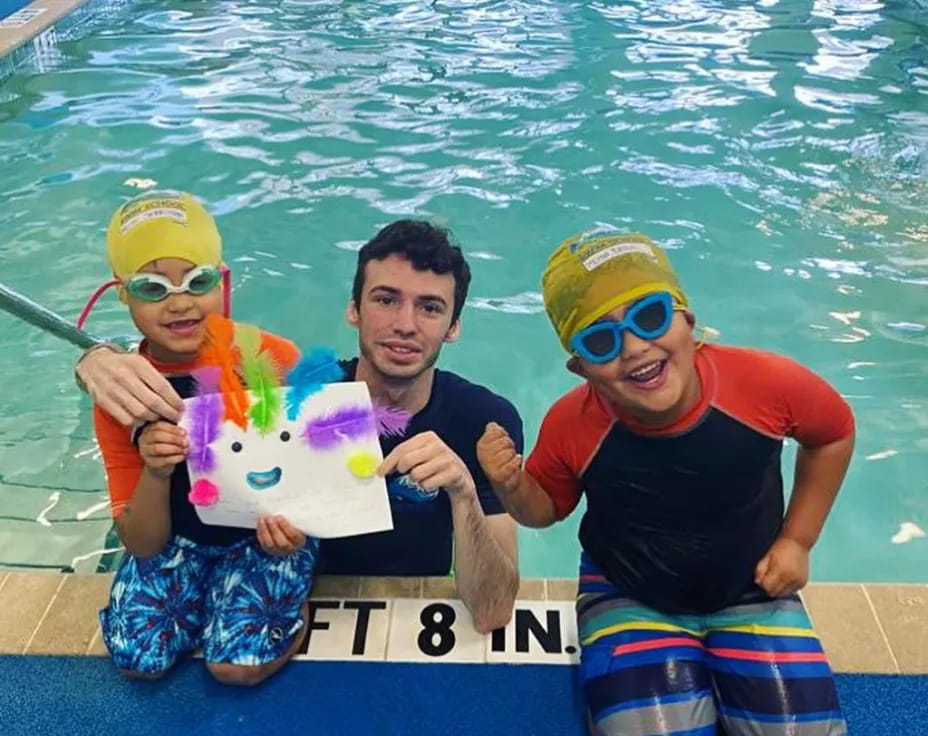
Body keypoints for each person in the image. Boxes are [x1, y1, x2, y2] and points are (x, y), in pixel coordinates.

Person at [477, 230, 854, 735]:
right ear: (580, 367)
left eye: (650, 316)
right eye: (600, 340)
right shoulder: (573, 424)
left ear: (688, 323)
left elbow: (833, 433)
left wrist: (797, 540)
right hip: (629, 592)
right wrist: (510, 484)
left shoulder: (766, 385)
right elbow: (545, 508)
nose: (633, 347)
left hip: (752, 588)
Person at [78, 219, 522, 634]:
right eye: (386, 300)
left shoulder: (483, 422)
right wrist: (96, 358)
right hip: (289, 594)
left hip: (407, 604)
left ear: (454, 327)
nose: (404, 325)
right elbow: (189, 359)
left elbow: (492, 612)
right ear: (354, 310)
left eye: (429, 307)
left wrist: (463, 493)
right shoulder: (291, 395)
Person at [93, 191, 315, 685]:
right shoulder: (122, 392)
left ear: (223, 282)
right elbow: (142, 543)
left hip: (264, 537)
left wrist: (296, 535)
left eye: (199, 281)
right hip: (178, 541)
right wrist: (156, 470)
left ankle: (286, 618)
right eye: (152, 288)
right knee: (138, 659)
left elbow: (317, 477)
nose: (179, 303)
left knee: (235, 667)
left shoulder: (273, 359)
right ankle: (212, 596)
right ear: (123, 294)